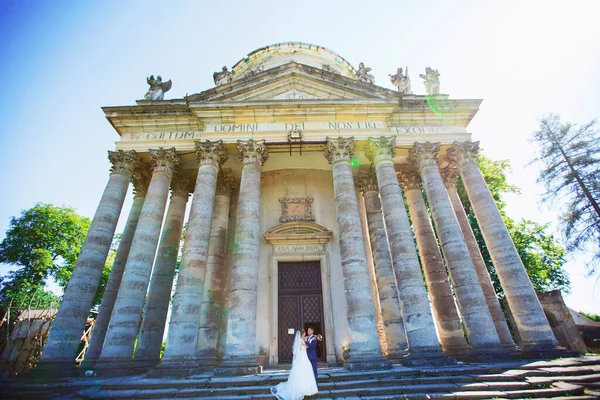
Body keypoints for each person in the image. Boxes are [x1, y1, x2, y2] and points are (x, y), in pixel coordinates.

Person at [271, 330, 318, 400]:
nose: (306, 334)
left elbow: (307, 341)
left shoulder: (301, 340)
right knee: (305, 371)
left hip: (303, 357)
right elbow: (307, 346)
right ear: (303, 334)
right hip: (303, 357)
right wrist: (307, 341)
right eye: (305, 333)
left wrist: (313, 337)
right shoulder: (302, 341)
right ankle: (305, 387)